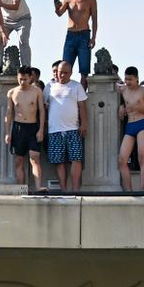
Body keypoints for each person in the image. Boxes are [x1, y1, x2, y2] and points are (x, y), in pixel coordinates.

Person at [44, 61, 88, 191]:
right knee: (59, 161)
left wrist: (84, 124)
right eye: (60, 72)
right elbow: (43, 106)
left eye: (65, 73)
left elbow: (82, 107)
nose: (62, 75)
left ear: (71, 73)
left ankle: (75, 190)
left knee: (76, 159)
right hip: (54, 130)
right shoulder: (49, 86)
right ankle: (64, 190)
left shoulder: (76, 86)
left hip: (73, 129)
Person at [54, 0, 98, 89]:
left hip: (84, 35)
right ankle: (64, 92)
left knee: (84, 70)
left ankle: (82, 95)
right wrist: (56, 6)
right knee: (64, 67)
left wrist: (93, 38)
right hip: (70, 35)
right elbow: (59, 13)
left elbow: (94, 19)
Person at [6, 66, 45, 190]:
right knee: (19, 160)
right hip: (18, 127)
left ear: (30, 78)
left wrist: (41, 130)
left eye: (25, 79)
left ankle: (38, 186)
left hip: (32, 127)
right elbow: (9, 113)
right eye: (20, 79)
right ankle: (21, 188)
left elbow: (42, 111)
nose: (22, 82)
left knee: (35, 158)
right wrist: (8, 133)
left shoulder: (37, 91)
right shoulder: (12, 92)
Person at [118, 66, 144, 191]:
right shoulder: (123, 89)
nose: (128, 82)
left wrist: (138, 108)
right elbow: (110, 85)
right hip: (130, 125)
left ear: (137, 79)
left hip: (141, 124)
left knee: (141, 157)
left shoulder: (143, 91)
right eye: (126, 79)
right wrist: (121, 106)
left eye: (130, 79)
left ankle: (141, 190)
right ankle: (129, 191)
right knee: (122, 160)